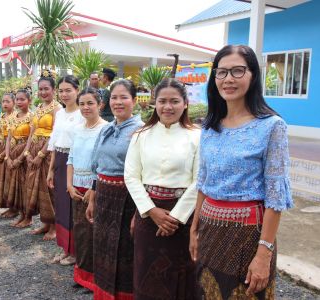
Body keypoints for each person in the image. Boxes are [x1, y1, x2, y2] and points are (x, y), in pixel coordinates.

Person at [189, 45, 294, 299]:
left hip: (248, 236)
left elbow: (275, 196)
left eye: (237, 71)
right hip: (210, 231)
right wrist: (195, 228)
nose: (228, 79)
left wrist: (264, 254)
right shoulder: (210, 126)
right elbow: (204, 181)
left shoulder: (271, 127)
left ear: (253, 75)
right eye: (221, 72)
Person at [124, 78, 200, 300]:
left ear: (185, 103)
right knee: (147, 273)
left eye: (175, 101)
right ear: (154, 104)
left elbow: (200, 180)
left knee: (181, 275)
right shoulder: (141, 135)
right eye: (162, 101)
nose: (168, 107)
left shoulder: (197, 136)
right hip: (148, 216)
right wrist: (151, 210)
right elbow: (131, 176)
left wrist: (175, 217)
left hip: (183, 217)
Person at [86, 79, 144, 300]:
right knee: (103, 247)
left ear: (134, 101)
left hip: (128, 198)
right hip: (103, 195)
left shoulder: (140, 131)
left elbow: (143, 174)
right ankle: (103, 293)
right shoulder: (106, 129)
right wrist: (92, 199)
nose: (118, 102)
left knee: (125, 250)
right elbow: (96, 166)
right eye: (114, 98)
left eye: (123, 97)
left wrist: (139, 212)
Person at [67, 87, 107, 291]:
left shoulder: (106, 129)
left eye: (90, 103)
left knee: (95, 234)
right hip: (77, 187)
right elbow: (71, 158)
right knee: (81, 233)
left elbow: (103, 163)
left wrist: (94, 188)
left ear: (100, 105)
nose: (85, 107)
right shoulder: (77, 128)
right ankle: (82, 275)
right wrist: (68, 184)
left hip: (95, 189)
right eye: (82, 103)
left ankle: (95, 280)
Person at [47, 75, 84, 266]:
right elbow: (54, 142)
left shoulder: (82, 114)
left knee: (73, 207)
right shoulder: (60, 113)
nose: (64, 94)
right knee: (61, 206)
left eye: (68, 90)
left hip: (75, 163)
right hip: (60, 160)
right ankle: (65, 247)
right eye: (61, 91)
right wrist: (51, 170)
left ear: (77, 90)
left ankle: (76, 252)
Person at [24, 74, 62, 239]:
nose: (43, 92)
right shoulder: (38, 108)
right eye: (40, 89)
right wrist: (27, 151)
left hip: (48, 153)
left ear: (54, 90)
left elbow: (55, 133)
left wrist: (41, 154)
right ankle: (45, 223)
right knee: (38, 188)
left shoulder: (57, 108)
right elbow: (32, 131)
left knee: (49, 189)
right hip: (33, 150)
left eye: (46, 89)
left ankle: (54, 226)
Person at [4, 89, 33, 227]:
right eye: (17, 99)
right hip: (12, 154)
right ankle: (20, 214)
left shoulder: (32, 117)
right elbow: (9, 138)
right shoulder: (13, 116)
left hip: (24, 156)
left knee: (25, 186)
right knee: (14, 186)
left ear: (29, 101)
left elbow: (31, 140)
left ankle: (28, 217)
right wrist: (8, 157)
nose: (19, 102)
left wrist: (20, 158)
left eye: (23, 99)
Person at [0, 93, 16, 218]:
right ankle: (7, 205)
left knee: (9, 179)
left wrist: (2, 154)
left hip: (9, 150)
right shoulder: (2, 116)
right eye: (3, 101)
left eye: (8, 101)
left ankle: (14, 208)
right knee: (0, 179)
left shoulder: (15, 117)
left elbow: (11, 138)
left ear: (13, 103)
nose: (5, 104)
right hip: (0, 149)